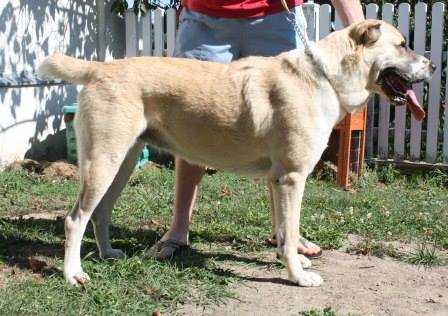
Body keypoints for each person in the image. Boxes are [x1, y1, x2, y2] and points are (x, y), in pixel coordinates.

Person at [150, 0, 364, 259]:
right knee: (193, 119)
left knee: (289, 134)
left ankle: (286, 235)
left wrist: (362, 36)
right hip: (205, 18)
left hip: (276, 18)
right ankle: (178, 229)